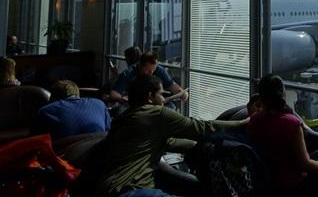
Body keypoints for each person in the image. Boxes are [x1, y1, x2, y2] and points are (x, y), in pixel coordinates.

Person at [95, 74, 247, 197]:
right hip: (131, 190)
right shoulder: (155, 114)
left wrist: (200, 146)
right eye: (161, 94)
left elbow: (171, 142)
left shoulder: (125, 118)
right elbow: (200, 127)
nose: (163, 99)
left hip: (106, 188)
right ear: (150, 97)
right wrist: (242, 123)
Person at [248, 74, 318, 197]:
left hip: (270, 181)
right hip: (294, 185)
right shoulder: (291, 123)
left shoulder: (254, 120)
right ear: (283, 94)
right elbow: (305, 165)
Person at [31, 79, 111, 140]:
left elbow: (35, 140)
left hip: (65, 154)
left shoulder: (46, 111)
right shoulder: (100, 104)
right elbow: (108, 129)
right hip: (99, 151)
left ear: (53, 97)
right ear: (78, 94)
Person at [110, 51, 187, 104]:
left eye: (154, 69)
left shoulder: (159, 70)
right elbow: (114, 94)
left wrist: (181, 92)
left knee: (171, 107)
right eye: (148, 70)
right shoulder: (128, 73)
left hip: (154, 103)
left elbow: (172, 85)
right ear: (140, 65)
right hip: (134, 104)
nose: (151, 73)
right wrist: (126, 100)